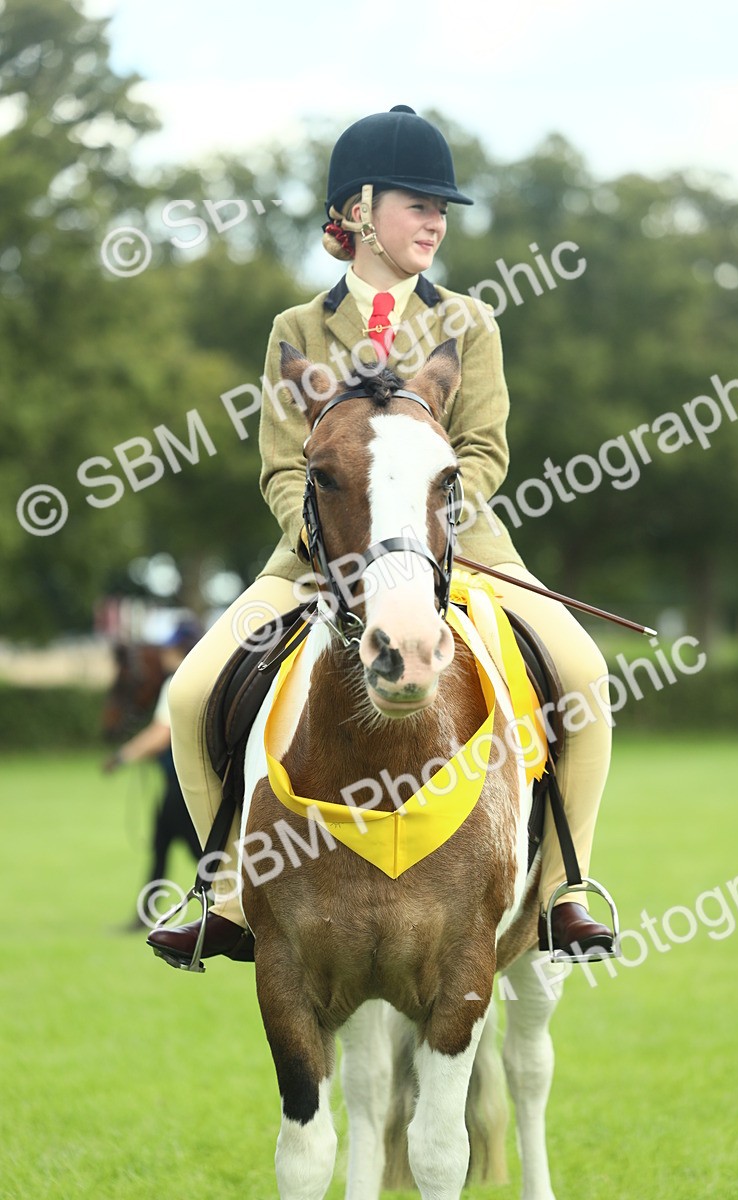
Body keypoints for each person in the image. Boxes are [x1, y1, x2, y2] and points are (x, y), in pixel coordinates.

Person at [149, 105, 614, 966]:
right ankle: (225, 895)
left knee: (586, 681)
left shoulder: (471, 323)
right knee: (186, 698)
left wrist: (415, 528)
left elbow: (484, 450)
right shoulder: (295, 330)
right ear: (359, 210)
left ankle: (561, 891)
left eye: (443, 208)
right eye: (418, 203)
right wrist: (321, 530)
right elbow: (283, 464)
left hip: (463, 548)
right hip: (316, 559)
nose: (436, 220)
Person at [105, 621, 203, 927]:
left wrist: (123, 756)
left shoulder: (177, 682)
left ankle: (232, 905)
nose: (163, 654)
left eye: (169, 648)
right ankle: (146, 914)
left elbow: (161, 734)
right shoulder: (205, 679)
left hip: (180, 783)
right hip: (195, 781)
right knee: (170, 846)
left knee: (188, 849)